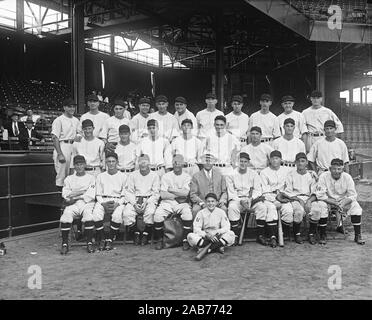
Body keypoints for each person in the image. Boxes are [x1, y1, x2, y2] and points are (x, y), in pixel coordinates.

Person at [313, 158, 365, 245]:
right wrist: (331, 201)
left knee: (356, 207)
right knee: (321, 206)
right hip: (328, 200)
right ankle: (322, 234)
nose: (336, 171)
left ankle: (358, 235)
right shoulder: (324, 176)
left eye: (339, 169)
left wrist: (344, 202)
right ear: (330, 169)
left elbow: (353, 195)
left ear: (343, 169)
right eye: (334, 169)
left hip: (342, 200)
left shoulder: (347, 177)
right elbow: (320, 194)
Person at [276, 152, 320, 244]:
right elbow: (288, 191)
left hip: (308, 198)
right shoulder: (291, 174)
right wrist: (299, 200)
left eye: (303, 161)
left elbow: (314, 191)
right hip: (295, 198)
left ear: (306, 162)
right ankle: (297, 234)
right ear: (295, 163)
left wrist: (308, 201)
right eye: (298, 161)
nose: (300, 163)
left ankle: (311, 234)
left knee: (316, 210)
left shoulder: (311, 175)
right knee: (298, 212)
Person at [153, 154, 193, 251]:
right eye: (175, 162)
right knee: (158, 215)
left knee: (187, 214)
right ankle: (160, 240)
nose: (177, 164)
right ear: (172, 163)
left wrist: (170, 189)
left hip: (182, 203)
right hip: (168, 202)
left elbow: (186, 193)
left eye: (179, 162)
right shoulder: (166, 176)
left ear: (183, 164)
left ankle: (185, 240)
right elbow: (163, 194)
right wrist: (178, 194)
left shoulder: (187, 176)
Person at [60, 155, 96, 255]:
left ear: (85, 165)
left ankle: (89, 242)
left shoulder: (91, 178)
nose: (79, 167)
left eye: (81, 164)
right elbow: (66, 194)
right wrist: (81, 192)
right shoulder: (69, 179)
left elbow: (90, 194)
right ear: (74, 166)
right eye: (77, 164)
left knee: (88, 215)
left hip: (86, 202)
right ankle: (65, 244)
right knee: (66, 215)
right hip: (73, 203)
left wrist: (76, 194)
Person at [92, 152, 128, 251]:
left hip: (117, 200)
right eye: (109, 162)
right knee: (96, 214)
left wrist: (118, 204)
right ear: (106, 163)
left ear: (117, 162)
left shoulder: (123, 176)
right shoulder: (100, 176)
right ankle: (103, 238)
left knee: (117, 215)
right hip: (103, 200)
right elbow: (98, 193)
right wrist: (103, 203)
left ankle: (110, 239)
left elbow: (125, 194)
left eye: (113, 161)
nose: (111, 164)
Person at [226, 152, 263, 245]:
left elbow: (258, 190)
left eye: (245, 161)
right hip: (237, 199)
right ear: (238, 162)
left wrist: (251, 199)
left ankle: (260, 235)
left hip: (251, 199)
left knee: (262, 207)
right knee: (232, 208)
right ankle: (235, 235)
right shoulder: (231, 174)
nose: (243, 163)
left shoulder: (254, 174)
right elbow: (231, 192)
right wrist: (240, 201)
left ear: (248, 163)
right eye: (241, 161)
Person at [123, 154, 160, 246]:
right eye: (141, 162)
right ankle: (135, 232)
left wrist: (147, 203)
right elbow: (128, 192)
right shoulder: (132, 175)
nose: (143, 164)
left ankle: (146, 234)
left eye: (145, 162)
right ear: (138, 163)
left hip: (148, 199)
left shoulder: (154, 175)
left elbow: (156, 193)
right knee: (127, 213)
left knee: (151, 212)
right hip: (135, 199)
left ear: (149, 163)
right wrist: (134, 204)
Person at [259, 150, 289, 248]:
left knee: (288, 211)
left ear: (281, 160)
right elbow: (264, 191)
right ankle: (272, 236)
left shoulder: (287, 170)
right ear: (269, 160)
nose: (275, 161)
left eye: (277, 158)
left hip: (283, 197)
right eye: (273, 158)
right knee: (271, 208)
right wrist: (275, 199)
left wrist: (312, 172)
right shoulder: (264, 172)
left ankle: (283, 233)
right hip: (269, 197)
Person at [51, 98, 80, 189]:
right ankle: (61, 198)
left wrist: (78, 136)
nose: (72, 109)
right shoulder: (59, 120)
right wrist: (60, 154)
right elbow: (55, 138)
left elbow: (79, 133)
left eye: (73, 107)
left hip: (74, 146)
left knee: (73, 174)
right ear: (64, 107)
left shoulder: (76, 120)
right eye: (69, 107)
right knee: (62, 174)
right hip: (63, 145)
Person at [190, 154, 228, 218]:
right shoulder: (196, 176)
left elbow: (224, 192)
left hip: (217, 202)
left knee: (224, 209)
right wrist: (201, 203)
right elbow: (193, 194)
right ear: (202, 162)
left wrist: (222, 200)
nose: (208, 163)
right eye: (206, 161)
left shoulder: (220, 175)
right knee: (195, 210)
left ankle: (224, 227)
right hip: (202, 202)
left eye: (210, 161)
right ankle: (196, 227)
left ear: (213, 162)